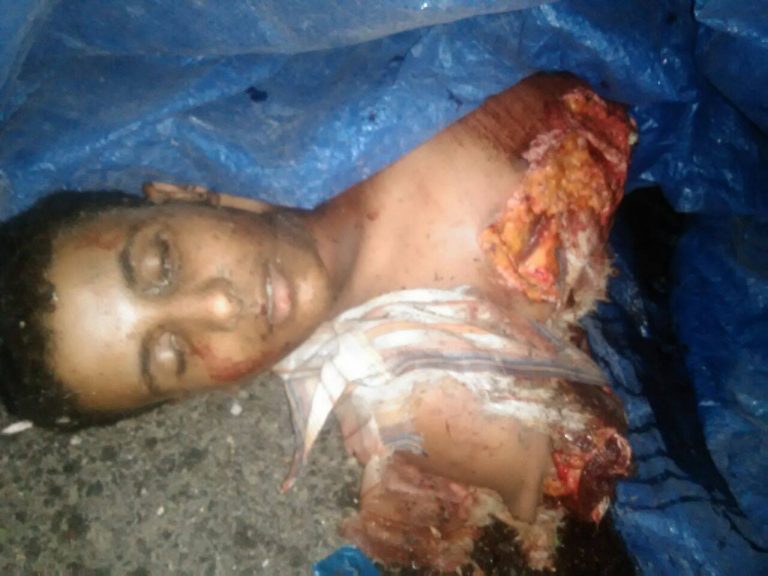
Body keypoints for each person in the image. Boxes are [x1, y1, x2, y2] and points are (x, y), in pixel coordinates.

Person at [0, 73, 634, 571]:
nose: (217, 308)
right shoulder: (444, 409)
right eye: (173, 356)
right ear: (209, 388)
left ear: (178, 194)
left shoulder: (327, 95)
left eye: (162, 263)